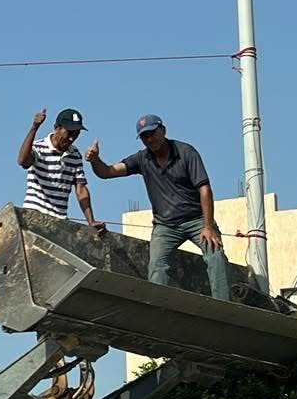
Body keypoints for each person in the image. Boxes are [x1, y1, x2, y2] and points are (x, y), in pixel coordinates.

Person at [86, 113, 233, 300]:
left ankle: (222, 304)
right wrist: (95, 160)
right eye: (144, 136)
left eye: (152, 133)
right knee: (157, 265)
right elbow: (107, 172)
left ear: (163, 130)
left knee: (215, 255)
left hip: (197, 220)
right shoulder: (142, 158)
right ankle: (156, 306)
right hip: (166, 225)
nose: (150, 139)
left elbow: (204, 189)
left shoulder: (186, 152)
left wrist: (208, 226)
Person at [16, 107, 103, 231]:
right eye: (70, 133)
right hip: (34, 216)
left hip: (59, 223)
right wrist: (34, 127)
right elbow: (22, 161)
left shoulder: (75, 155)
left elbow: (81, 190)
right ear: (57, 128)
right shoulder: (39, 147)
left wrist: (91, 221)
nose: (72, 138)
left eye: (76, 133)